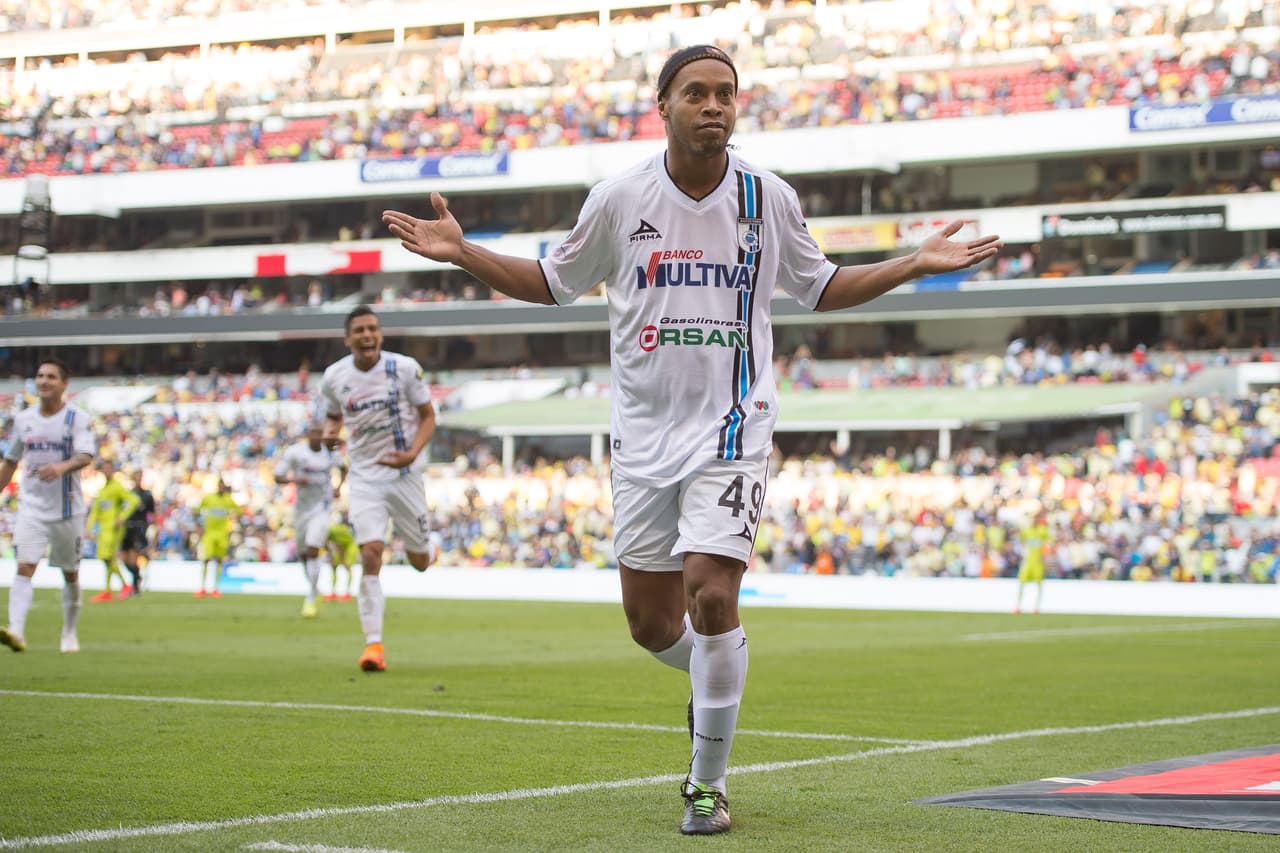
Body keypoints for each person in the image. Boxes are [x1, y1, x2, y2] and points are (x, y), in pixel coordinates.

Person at [381, 44, 1001, 836]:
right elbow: (552, 281)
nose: (714, 106)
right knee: (650, 624)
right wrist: (464, 252)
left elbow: (819, 287)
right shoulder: (618, 197)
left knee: (711, 589)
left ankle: (706, 784)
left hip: (733, 429)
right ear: (663, 106)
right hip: (641, 439)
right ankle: (721, 669)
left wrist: (913, 262)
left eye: (726, 95)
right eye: (697, 93)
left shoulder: (766, 197)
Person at [320, 305, 440, 672]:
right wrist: (329, 434)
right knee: (370, 553)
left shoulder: (403, 368)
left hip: (404, 475)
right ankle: (374, 646)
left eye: (372, 328)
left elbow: (428, 417)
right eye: (359, 330)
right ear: (348, 339)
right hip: (365, 477)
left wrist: (412, 454)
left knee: (419, 562)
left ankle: (429, 549)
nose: (367, 335)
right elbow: (333, 415)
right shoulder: (334, 377)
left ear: (380, 334)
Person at [0, 359, 96, 653]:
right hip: (31, 507)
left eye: (51, 377)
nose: (44, 381)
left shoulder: (76, 419)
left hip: (67, 510)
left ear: (64, 384)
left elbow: (86, 455)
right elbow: (11, 461)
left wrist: (61, 467)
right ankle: (16, 631)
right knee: (25, 566)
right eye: (40, 375)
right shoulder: (24, 420)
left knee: (70, 573)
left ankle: (69, 633)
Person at [275, 421, 346, 617]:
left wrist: (338, 487)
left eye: (319, 433)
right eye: (313, 433)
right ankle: (314, 588)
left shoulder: (330, 453)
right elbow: (277, 476)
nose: (316, 437)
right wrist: (294, 480)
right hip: (301, 510)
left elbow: (343, 468)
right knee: (304, 553)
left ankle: (311, 597)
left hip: (321, 508)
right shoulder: (295, 453)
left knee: (314, 548)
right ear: (308, 435)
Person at [85, 459, 141, 602]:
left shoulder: (117, 487)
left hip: (113, 528)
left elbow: (134, 500)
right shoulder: (102, 490)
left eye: (109, 468)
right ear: (101, 471)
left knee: (107, 557)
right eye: (104, 468)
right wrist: (89, 528)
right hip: (103, 528)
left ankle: (124, 585)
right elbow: (95, 512)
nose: (107, 471)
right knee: (107, 558)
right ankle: (108, 590)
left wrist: (122, 517)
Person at [194, 476, 239, 598]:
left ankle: (215, 588)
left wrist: (232, 522)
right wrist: (199, 525)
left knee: (219, 560)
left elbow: (238, 511)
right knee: (206, 560)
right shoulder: (209, 498)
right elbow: (196, 510)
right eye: (219, 484)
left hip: (222, 535)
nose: (221, 487)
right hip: (209, 534)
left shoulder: (228, 499)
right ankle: (202, 588)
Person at [119, 468, 156, 596]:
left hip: (139, 528)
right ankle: (137, 576)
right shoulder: (128, 494)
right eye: (136, 476)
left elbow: (152, 514)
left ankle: (135, 587)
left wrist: (153, 528)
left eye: (140, 476)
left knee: (133, 557)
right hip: (126, 528)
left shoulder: (147, 495)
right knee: (123, 558)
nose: (138, 479)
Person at [1016, 511, 1050, 614]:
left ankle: (1036, 608)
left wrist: (1045, 557)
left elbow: (1048, 543)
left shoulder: (1043, 531)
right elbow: (1020, 540)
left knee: (1039, 585)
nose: (1034, 521)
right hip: (1028, 561)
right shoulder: (1026, 531)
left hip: (1038, 562)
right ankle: (1018, 607)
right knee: (1022, 583)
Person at [325, 517, 359, 602]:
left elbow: (340, 546)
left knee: (347, 566)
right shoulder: (327, 532)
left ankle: (347, 593)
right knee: (333, 566)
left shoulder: (335, 531)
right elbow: (329, 546)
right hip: (340, 546)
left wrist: (343, 558)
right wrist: (331, 557)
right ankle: (333, 593)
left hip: (350, 546)